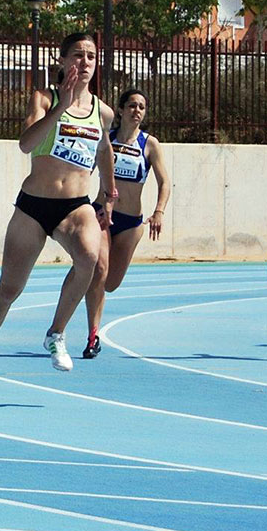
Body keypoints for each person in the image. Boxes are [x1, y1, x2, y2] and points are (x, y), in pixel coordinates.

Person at [0, 32, 116, 397]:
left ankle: (57, 332)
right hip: (34, 206)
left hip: (75, 206)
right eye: (77, 56)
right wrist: (59, 109)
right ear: (63, 61)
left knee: (91, 259)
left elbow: (104, 150)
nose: (84, 62)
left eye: (91, 57)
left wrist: (107, 195)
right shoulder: (44, 98)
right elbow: (26, 144)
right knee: (9, 289)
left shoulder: (103, 111)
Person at [81, 88, 171, 358]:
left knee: (110, 283)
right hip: (102, 215)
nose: (137, 111)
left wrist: (159, 212)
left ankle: (84, 281)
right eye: (132, 105)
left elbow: (165, 182)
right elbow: (84, 170)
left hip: (131, 223)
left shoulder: (149, 144)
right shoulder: (105, 139)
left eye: (142, 107)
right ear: (120, 110)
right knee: (99, 270)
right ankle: (93, 335)